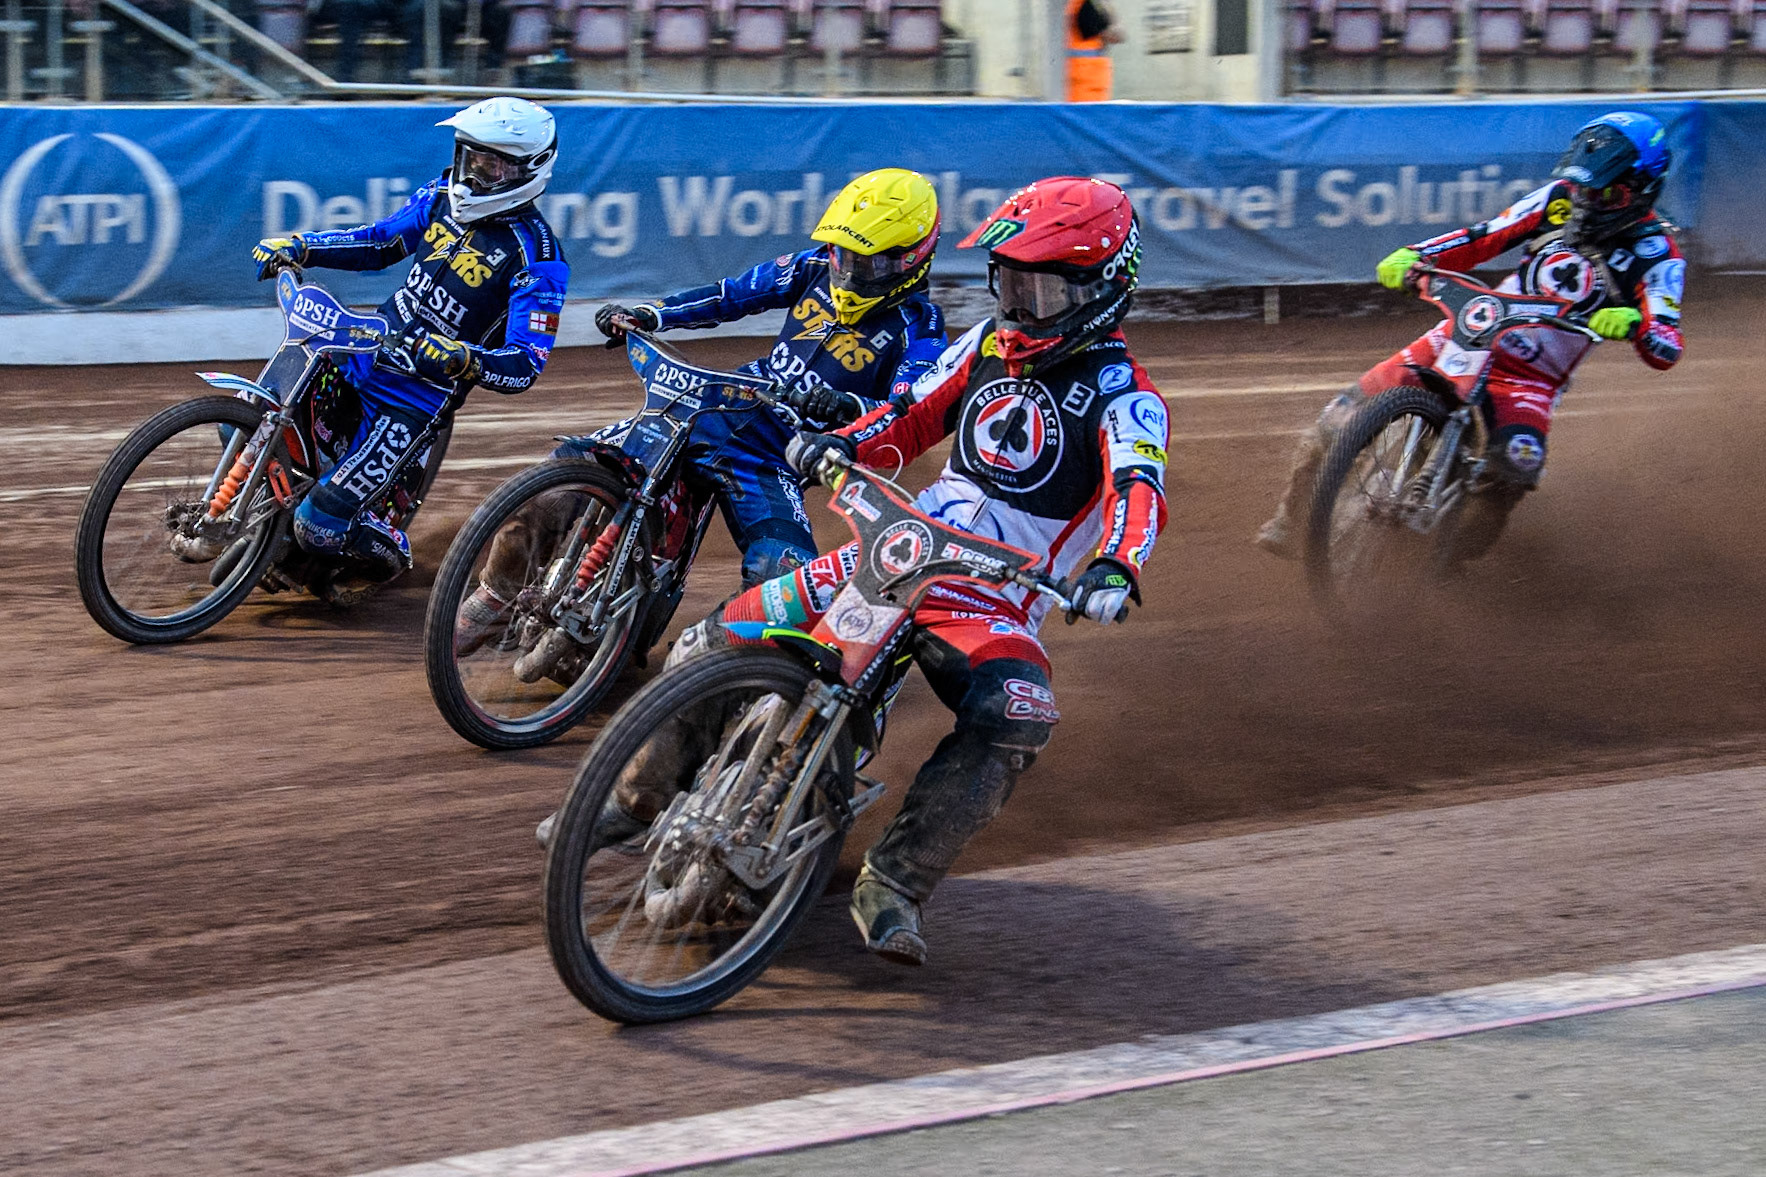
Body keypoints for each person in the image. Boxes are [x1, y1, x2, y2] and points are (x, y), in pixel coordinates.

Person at [666, 177, 1168, 966]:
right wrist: (843, 446)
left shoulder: (1127, 397)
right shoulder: (986, 344)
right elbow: (910, 413)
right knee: (707, 642)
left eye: (1038, 288)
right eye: (1008, 281)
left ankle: (894, 881)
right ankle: (630, 799)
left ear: (1101, 288)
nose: (1018, 303)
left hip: (991, 596)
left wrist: (1115, 565)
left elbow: (1139, 488)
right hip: (899, 544)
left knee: (1019, 710)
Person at [1255, 111, 1684, 563]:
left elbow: (1667, 342)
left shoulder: (1658, 255)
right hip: (1471, 333)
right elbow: (1484, 237)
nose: (1588, 201)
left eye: (1606, 193)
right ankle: (1291, 519)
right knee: (1342, 414)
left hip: (1530, 380)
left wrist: (1635, 325)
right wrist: (1417, 255)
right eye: (1582, 188)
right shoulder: (1557, 199)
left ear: (1643, 189)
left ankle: (1438, 562)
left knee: (1513, 469)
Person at [249, 96, 569, 604]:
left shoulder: (539, 258)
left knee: (319, 525)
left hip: (415, 398)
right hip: (362, 348)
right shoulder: (441, 195)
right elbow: (380, 243)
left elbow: (526, 363)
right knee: (250, 419)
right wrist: (302, 246)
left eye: (493, 165)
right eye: (471, 157)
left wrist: (463, 358)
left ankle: (388, 554)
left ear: (530, 170)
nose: (475, 173)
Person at [589, 167, 949, 588]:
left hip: (773, 459)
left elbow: (908, 415)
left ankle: (719, 631)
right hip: (708, 405)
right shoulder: (813, 266)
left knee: (785, 577)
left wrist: (848, 406)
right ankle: (516, 588)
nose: (850, 272)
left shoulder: (921, 329)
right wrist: (652, 314)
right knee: (574, 462)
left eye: (869, 263)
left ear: (911, 259)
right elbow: (732, 294)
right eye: (844, 255)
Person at [1066, 0, 1124, 102]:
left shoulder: (1077, 5)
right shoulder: (1085, 5)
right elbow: (1116, 35)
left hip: (1088, 76)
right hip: (1087, 78)